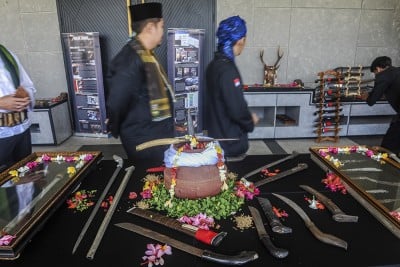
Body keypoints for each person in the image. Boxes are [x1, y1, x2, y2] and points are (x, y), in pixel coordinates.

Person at [106, 2, 175, 162]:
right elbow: (117, 100)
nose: (163, 31)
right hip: (145, 141)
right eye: (162, 26)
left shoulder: (145, 54)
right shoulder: (130, 59)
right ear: (150, 27)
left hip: (154, 135)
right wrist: (115, 127)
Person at [204, 15, 259, 157]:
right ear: (240, 40)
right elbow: (236, 108)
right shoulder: (228, 70)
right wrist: (250, 120)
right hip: (230, 143)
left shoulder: (212, 66)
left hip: (215, 139)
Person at [0, 44, 36, 171]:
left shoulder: (6, 53)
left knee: (25, 173)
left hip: (21, 130)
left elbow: (28, 86)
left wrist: (26, 95)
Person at [361, 56, 400, 155]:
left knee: (389, 142)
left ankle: (386, 161)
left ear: (378, 69)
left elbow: (372, 100)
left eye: (375, 73)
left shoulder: (383, 76)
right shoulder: (397, 71)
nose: (376, 75)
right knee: (394, 125)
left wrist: (366, 97)